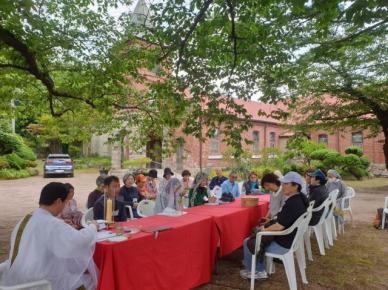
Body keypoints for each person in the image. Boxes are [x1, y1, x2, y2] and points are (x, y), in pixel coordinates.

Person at [1, 182, 98, 290]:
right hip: (39, 282)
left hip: (15, 277)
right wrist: (92, 228)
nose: (65, 206)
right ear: (58, 201)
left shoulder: (25, 219)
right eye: (65, 202)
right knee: (91, 281)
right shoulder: (51, 223)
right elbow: (78, 241)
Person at [241, 172, 308, 280]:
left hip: (283, 243)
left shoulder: (292, 203)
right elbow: (281, 221)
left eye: (286, 184)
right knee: (256, 235)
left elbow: (279, 226)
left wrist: (264, 229)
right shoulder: (300, 198)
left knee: (248, 241)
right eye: (283, 183)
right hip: (290, 238)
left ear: (296, 186)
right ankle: (256, 266)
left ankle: (258, 271)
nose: (283, 186)